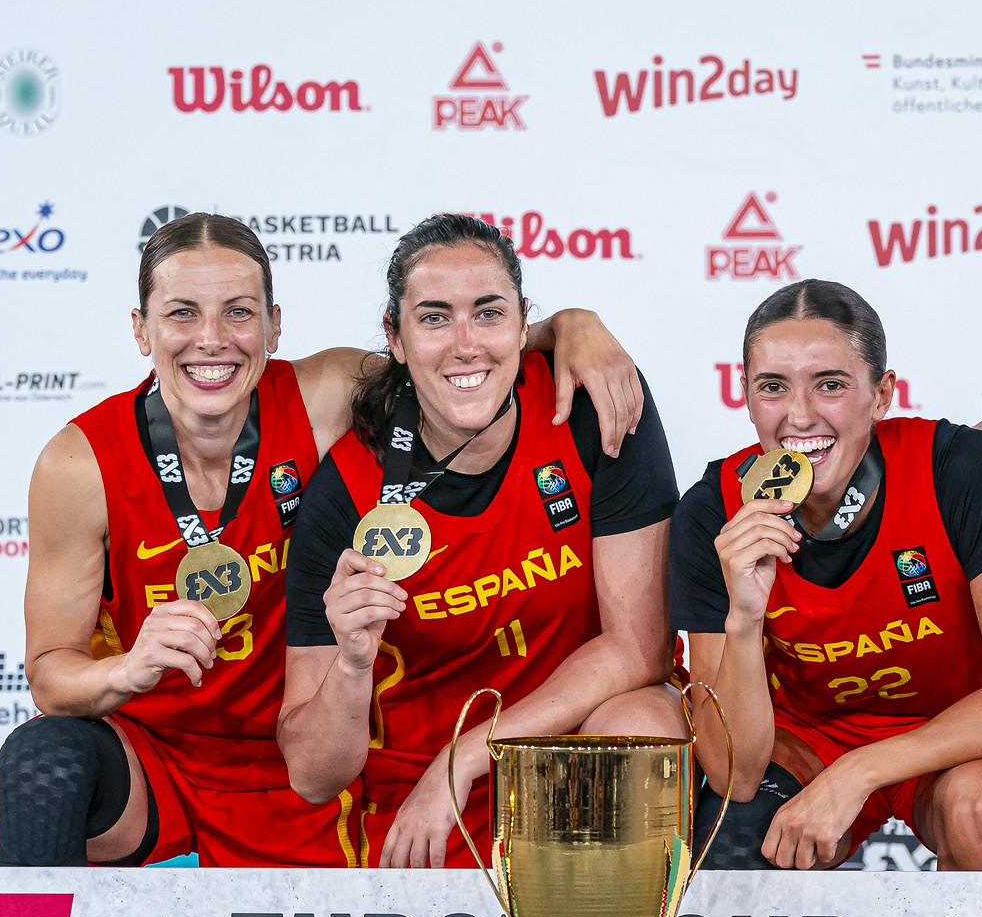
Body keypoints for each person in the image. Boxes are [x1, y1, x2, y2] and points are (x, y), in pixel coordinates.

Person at [0, 212, 644, 867]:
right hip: (159, 755)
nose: (212, 340)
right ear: (141, 330)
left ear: (275, 326)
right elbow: (51, 673)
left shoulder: (326, 393)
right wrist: (126, 670)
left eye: (239, 313)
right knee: (42, 761)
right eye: (182, 314)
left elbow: (451, 354)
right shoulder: (79, 465)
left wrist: (570, 325)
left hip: (306, 754)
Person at [278, 214, 682, 868]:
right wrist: (352, 665)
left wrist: (466, 754)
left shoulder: (592, 405)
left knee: (646, 725)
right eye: (435, 318)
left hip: (551, 752)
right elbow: (312, 774)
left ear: (524, 324)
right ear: (396, 336)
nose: (465, 345)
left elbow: (641, 649)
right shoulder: (347, 493)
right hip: (416, 798)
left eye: (487, 314)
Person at [671, 279, 982, 871]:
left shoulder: (960, 469)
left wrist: (860, 770)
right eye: (773, 387)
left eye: (830, 385)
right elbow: (737, 773)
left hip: (960, 730)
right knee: (734, 846)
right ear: (746, 396)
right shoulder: (712, 511)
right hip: (810, 736)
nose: (800, 415)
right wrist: (744, 617)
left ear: (882, 394)